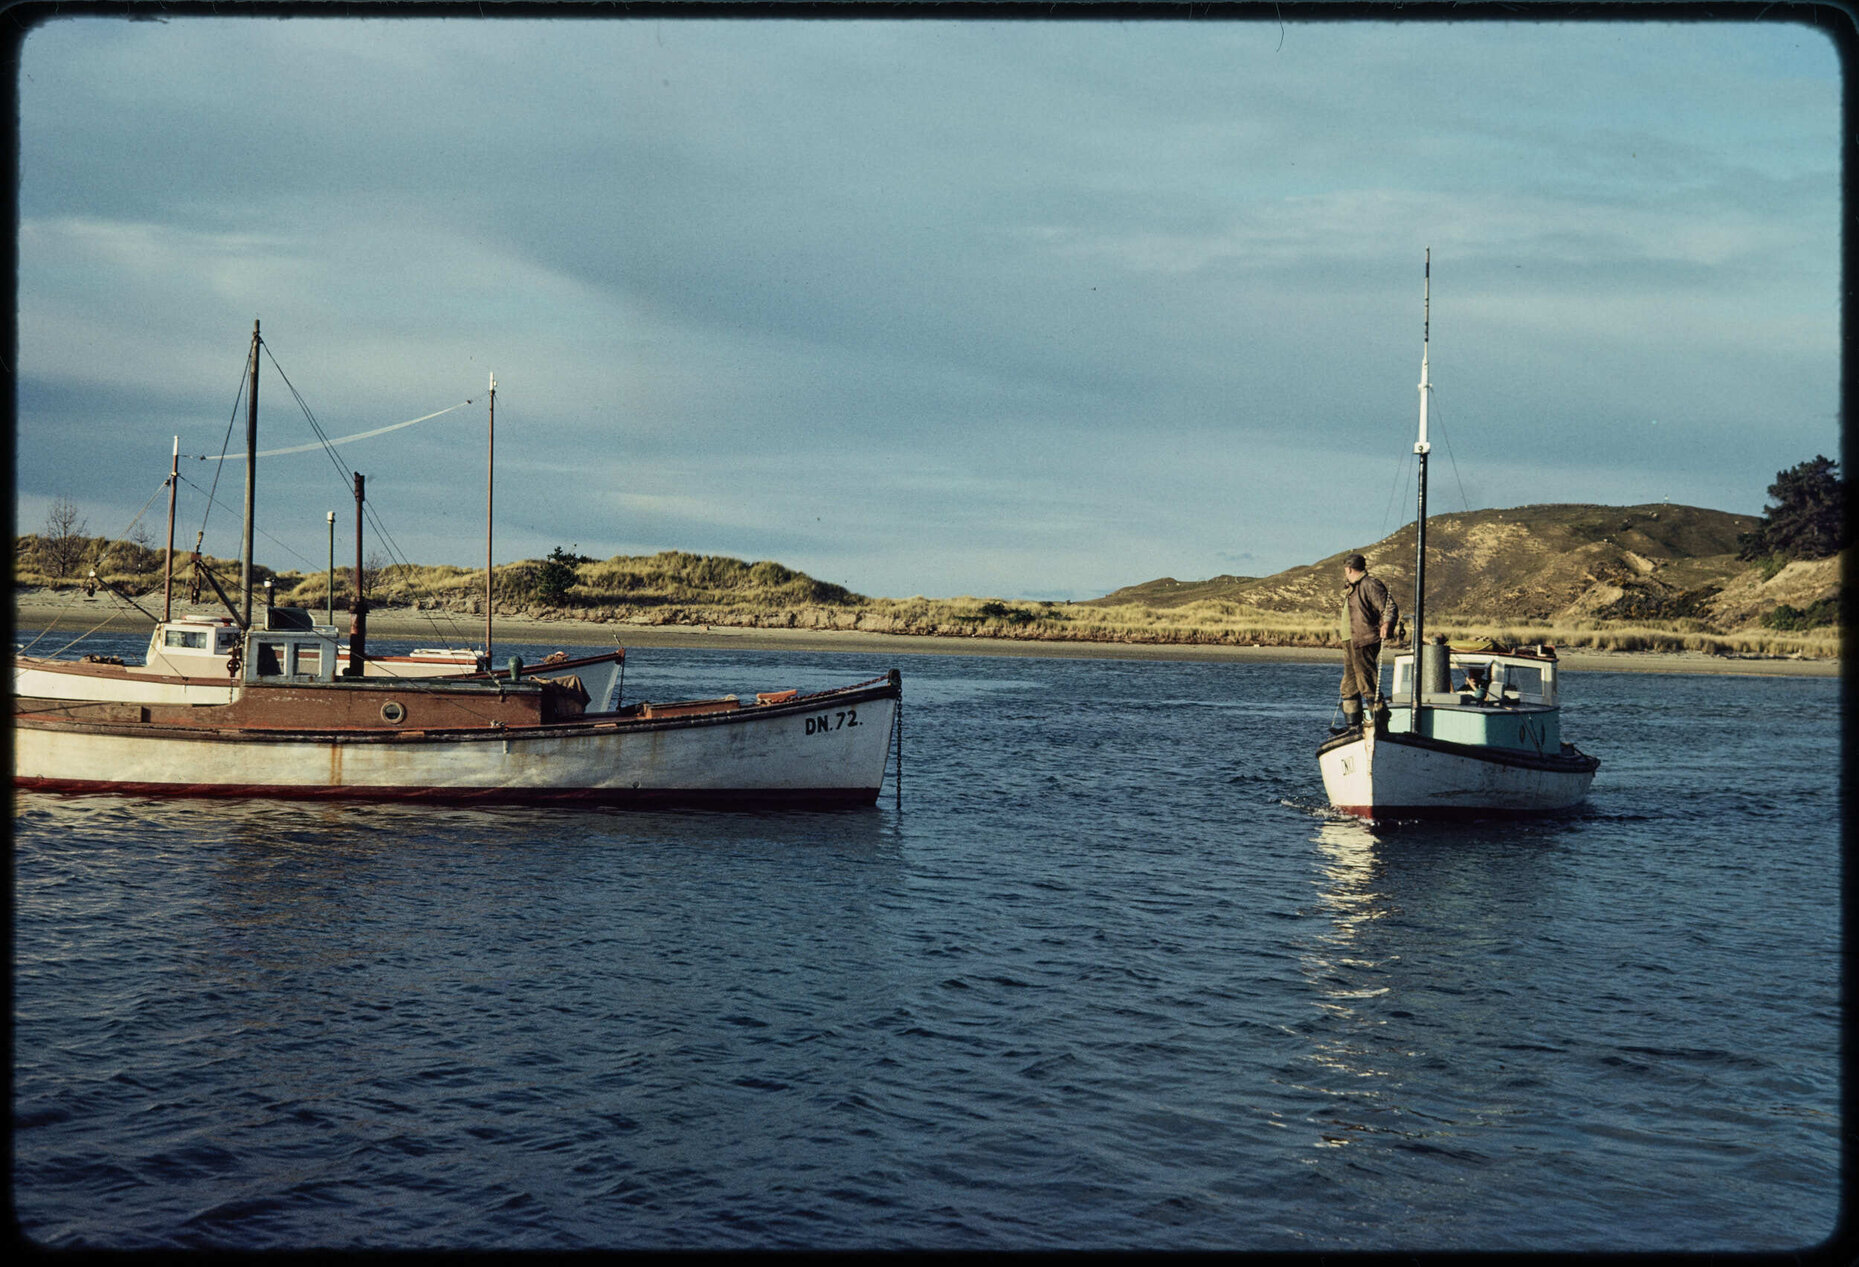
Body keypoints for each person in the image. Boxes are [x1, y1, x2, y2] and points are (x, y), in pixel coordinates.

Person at [1337, 553, 1398, 730]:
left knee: (1367, 683)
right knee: (1349, 685)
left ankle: (1380, 723)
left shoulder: (1370, 584)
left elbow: (1389, 607)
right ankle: (1353, 727)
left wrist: (1387, 624)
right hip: (1350, 641)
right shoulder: (1352, 587)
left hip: (1363, 640)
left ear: (1348, 569)